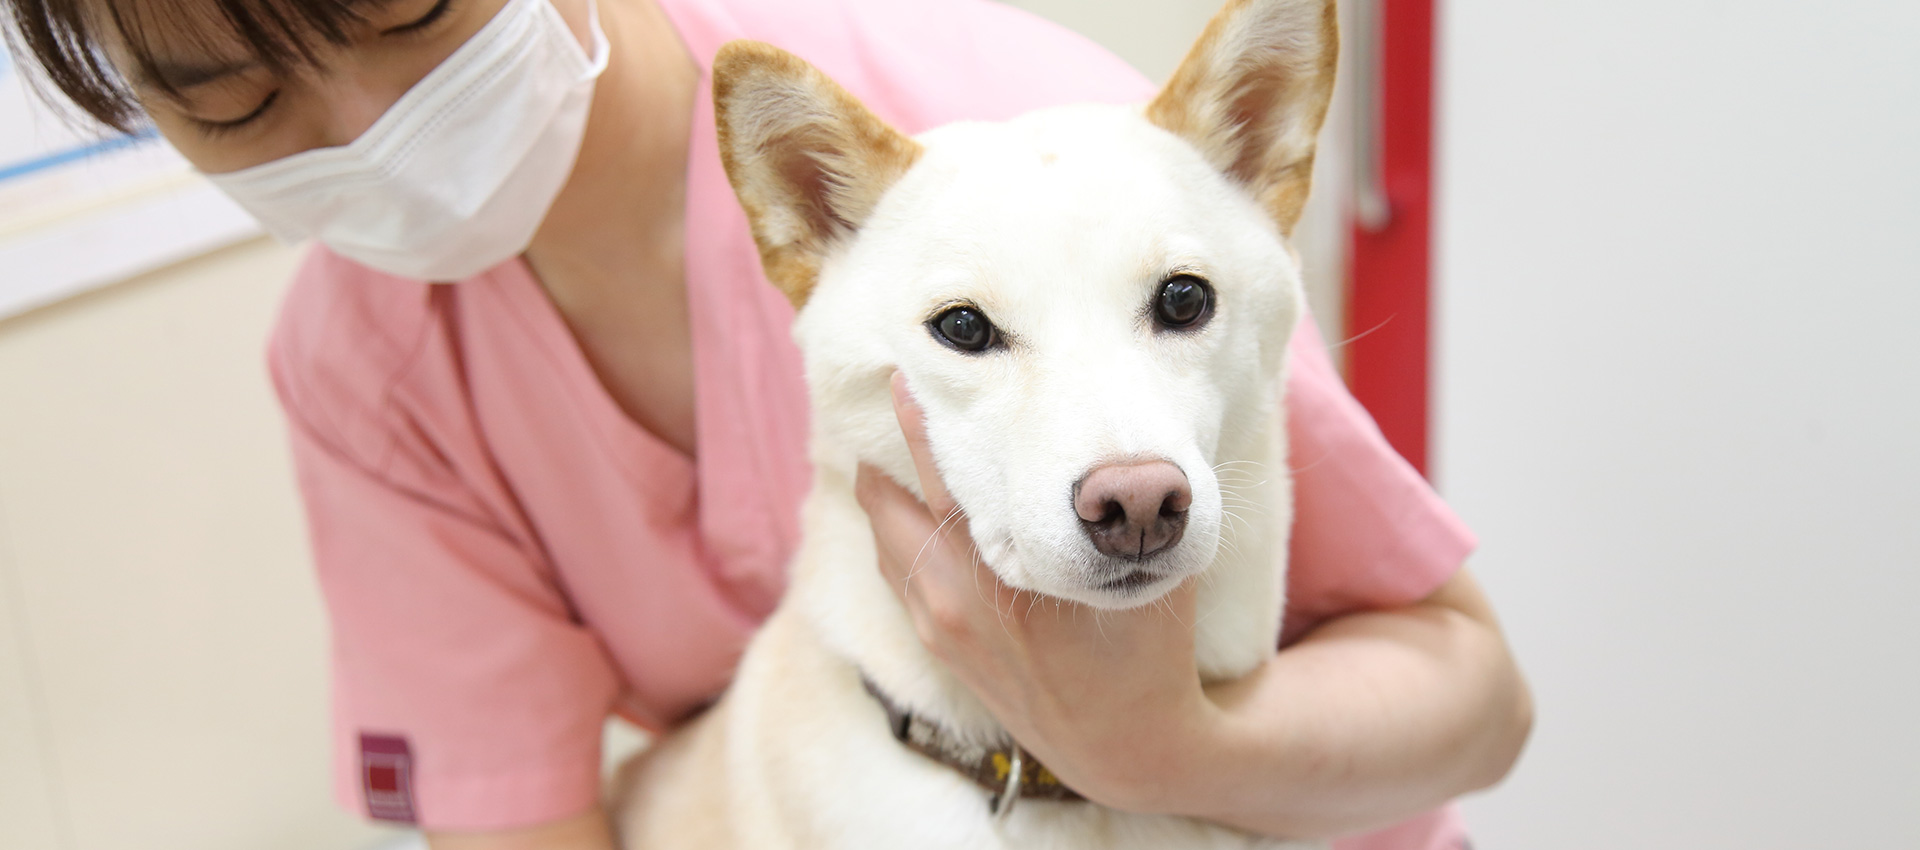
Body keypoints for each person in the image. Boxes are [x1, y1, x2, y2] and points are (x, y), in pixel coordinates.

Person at [1, 0, 1533, 846]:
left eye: (400, 10)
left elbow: (1476, 694)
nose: (359, 122)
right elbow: (520, 820)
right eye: (230, 98)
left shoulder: (1030, 157)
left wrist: (1155, 742)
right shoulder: (367, 369)